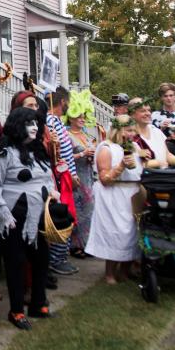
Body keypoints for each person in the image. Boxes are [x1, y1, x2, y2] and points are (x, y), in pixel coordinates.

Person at [0, 107, 59, 330]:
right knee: (15, 263)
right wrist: (3, 214)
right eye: (28, 123)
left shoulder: (38, 151)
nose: (34, 127)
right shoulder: (3, 152)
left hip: (38, 217)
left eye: (36, 123)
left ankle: (38, 303)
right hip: (13, 218)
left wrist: (53, 192)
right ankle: (16, 311)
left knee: (41, 259)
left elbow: (48, 177)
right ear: (17, 125)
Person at [85, 114, 144, 284]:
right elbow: (105, 178)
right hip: (113, 194)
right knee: (116, 233)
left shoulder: (134, 146)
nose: (132, 134)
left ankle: (124, 271)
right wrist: (121, 166)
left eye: (134, 130)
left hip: (132, 194)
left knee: (132, 233)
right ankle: (110, 273)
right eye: (128, 130)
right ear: (118, 130)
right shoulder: (106, 148)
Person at [45, 86, 79, 276]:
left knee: (67, 216)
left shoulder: (57, 121)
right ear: (63, 102)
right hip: (59, 178)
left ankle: (61, 256)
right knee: (61, 216)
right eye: (68, 102)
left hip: (67, 177)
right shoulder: (50, 121)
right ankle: (56, 259)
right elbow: (57, 154)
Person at [64, 90, 98, 257]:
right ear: (71, 117)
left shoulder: (85, 134)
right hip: (75, 177)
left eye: (84, 116)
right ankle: (76, 246)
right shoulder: (67, 134)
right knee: (77, 209)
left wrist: (92, 156)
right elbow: (65, 156)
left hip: (88, 176)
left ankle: (87, 244)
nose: (82, 119)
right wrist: (83, 154)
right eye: (79, 116)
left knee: (89, 209)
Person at [129, 97, 175, 168]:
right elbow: (137, 163)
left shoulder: (156, 131)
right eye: (143, 111)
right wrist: (158, 163)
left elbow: (168, 156)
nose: (148, 113)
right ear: (132, 114)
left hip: (164, 175)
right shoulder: (131, 137)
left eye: (149, 110)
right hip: (146, 177)